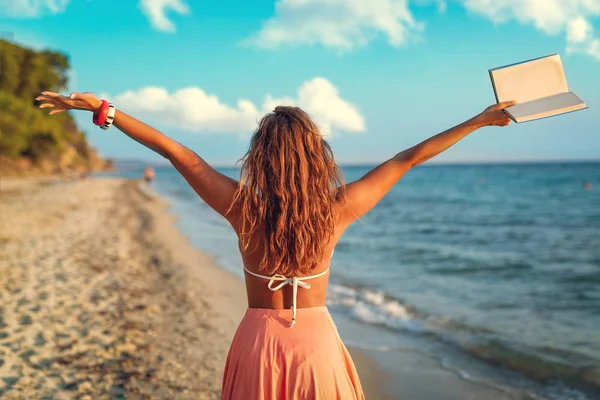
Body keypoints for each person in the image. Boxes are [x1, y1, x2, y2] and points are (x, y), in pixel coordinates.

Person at [36, 90, 515, 399]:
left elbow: (175, 152)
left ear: (260, 158)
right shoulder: (336, 210)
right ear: (316, 156)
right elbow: (408, 158)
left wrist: (107, 111)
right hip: (316, 346)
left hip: (258, 342)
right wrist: (480, 119)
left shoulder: (242, 207)